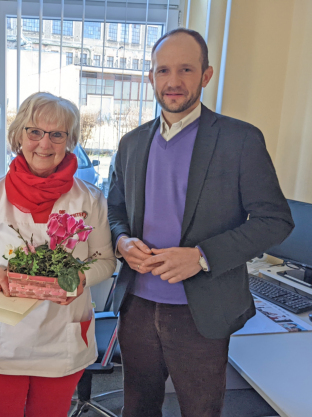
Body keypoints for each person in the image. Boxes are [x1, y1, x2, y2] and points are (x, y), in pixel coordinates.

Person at [107, 28, 294, 417]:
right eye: (162, 71)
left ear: (206, 75)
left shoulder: (240, 140)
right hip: (137, 305)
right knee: (138, 407)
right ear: (151, 78)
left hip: (200, 311)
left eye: (186, 70)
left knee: (201, 410)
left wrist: (202, 256)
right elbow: (115, 212)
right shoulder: (131, 143)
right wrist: (122, 241)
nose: (173, 82)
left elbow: (274, 220)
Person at [0, 92, 116, 417]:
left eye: (57, 134)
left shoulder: (90, 199)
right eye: (35, 132)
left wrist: (81, 278)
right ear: (19, 137)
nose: (45, 143)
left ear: (69, 141)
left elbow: (105, 260)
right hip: (3, 338)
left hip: (63, 337)